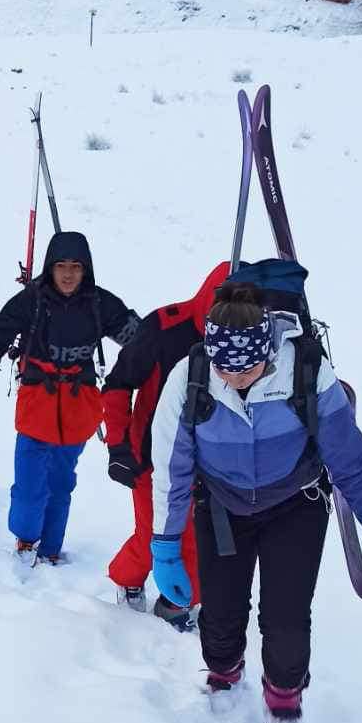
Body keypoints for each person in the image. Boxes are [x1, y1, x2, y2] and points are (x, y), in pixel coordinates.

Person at [149, 278, 362, 723]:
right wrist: (166, 544)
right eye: (224, 368)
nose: (233, 378)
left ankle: (284, 709)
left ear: (267, 352)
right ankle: (224, 672)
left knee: (286, 619)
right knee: (221, 618)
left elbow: (351, 462)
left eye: (246, 367)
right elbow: (173, 470)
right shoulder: (188, 379)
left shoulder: (307, 370)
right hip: (223, 510)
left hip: (295, 504)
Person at [0, 231, 139, 563]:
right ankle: (26, 540)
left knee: (61, 483)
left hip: (78, 407)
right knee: (29, 485)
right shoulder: (31, 300)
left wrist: (167, 353)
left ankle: (52, 550)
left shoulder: (99, 303)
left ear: (86, 269)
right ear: (50, 268)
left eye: (76, 267)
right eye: (61, 266)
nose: (68, 274)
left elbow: (140, 340)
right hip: (38, 403)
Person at [101, 261, 229, 628]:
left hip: (209, 467)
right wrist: (119, 446)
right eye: (220, 299)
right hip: (152, 461)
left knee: (199, 542)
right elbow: (118, 384)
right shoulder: (164, 327)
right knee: (153, 538)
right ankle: (126, 580)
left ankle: (175, 604)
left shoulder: (244, 341)